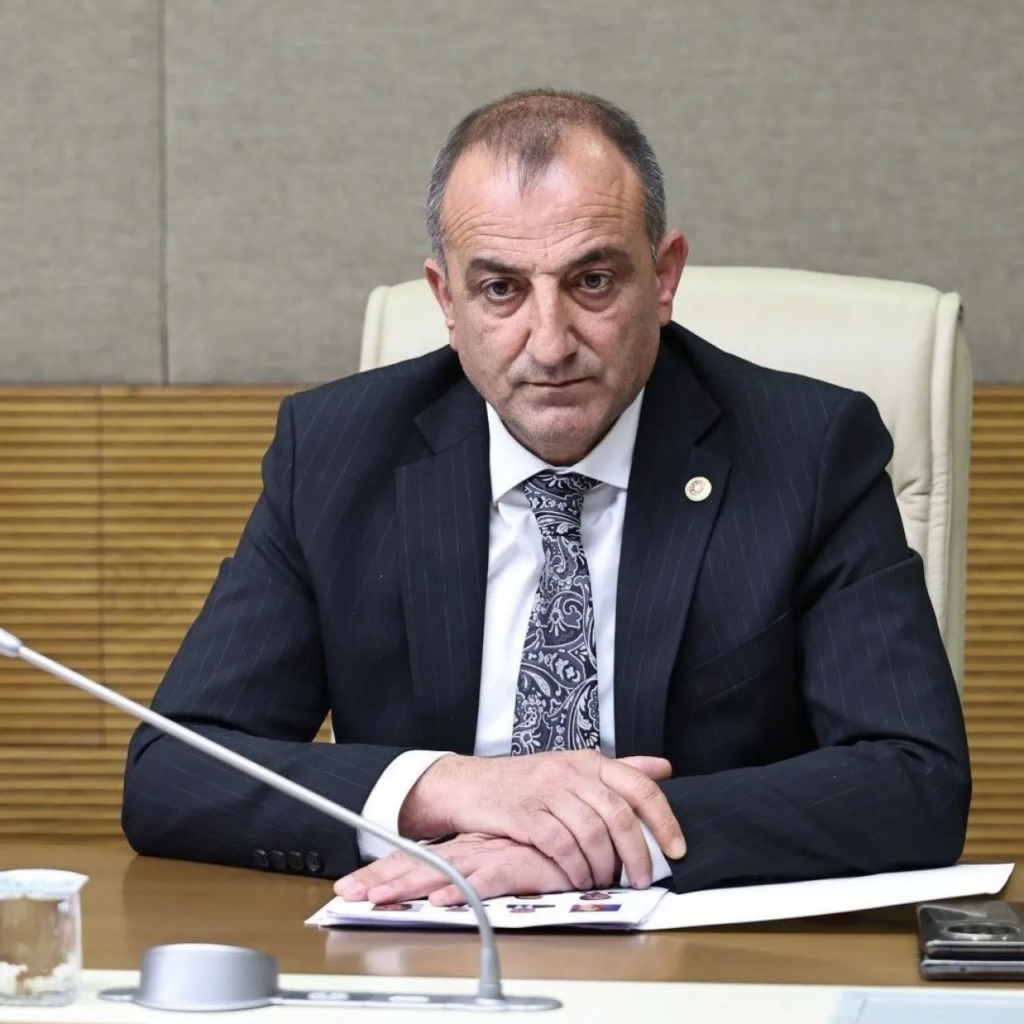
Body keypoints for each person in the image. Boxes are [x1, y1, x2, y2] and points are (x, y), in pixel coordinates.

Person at [121, 89, 971, 905]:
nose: (551, 343)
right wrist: (446, 789)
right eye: (501, 289)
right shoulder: (339, 453)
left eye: (593, 281)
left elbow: (915, 780)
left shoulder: (807, 451)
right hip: (427, 939)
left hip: (701, 951)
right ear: (446, 300)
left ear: (663, 277)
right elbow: (175, 770)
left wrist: (589, 843)